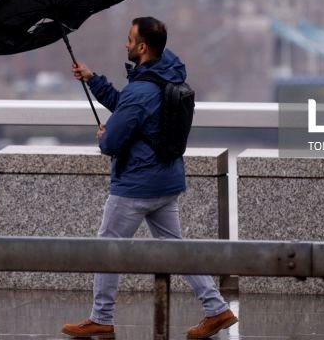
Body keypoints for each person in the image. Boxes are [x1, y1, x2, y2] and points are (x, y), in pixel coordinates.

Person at [61, 17, 238, 339]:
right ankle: (217, 309)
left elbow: (113, 140)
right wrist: (93, 80)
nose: (125, 45)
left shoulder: (140, 90)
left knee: (107, 249)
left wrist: (104, 136)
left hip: (136, 186)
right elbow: (129, 109)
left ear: (142, 47)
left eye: (130, 40)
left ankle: (101, 317)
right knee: (176, 249)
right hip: (166, 181)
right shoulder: (165, 77)